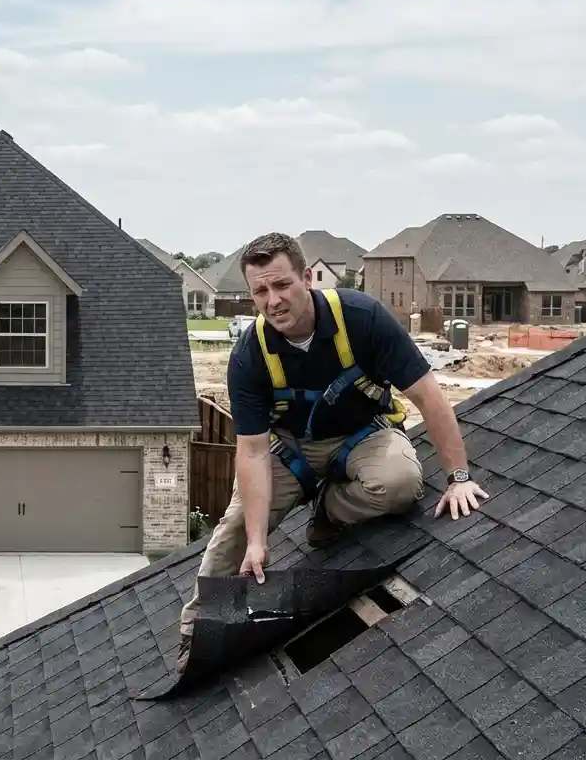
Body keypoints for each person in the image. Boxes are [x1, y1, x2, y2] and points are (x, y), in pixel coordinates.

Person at [177, 232, 487, 672]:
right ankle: (195, 633)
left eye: (282, 284)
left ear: (307, 278)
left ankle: (328, 513)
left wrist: (458, 478)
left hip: (362, 435)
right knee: (234, 533)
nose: (273, 300)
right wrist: (258, 541)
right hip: (290, 450)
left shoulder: (363, 319)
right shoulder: (250, 355)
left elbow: (429, 397)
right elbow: (250, 453)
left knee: (400, 483)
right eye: (260, 291)